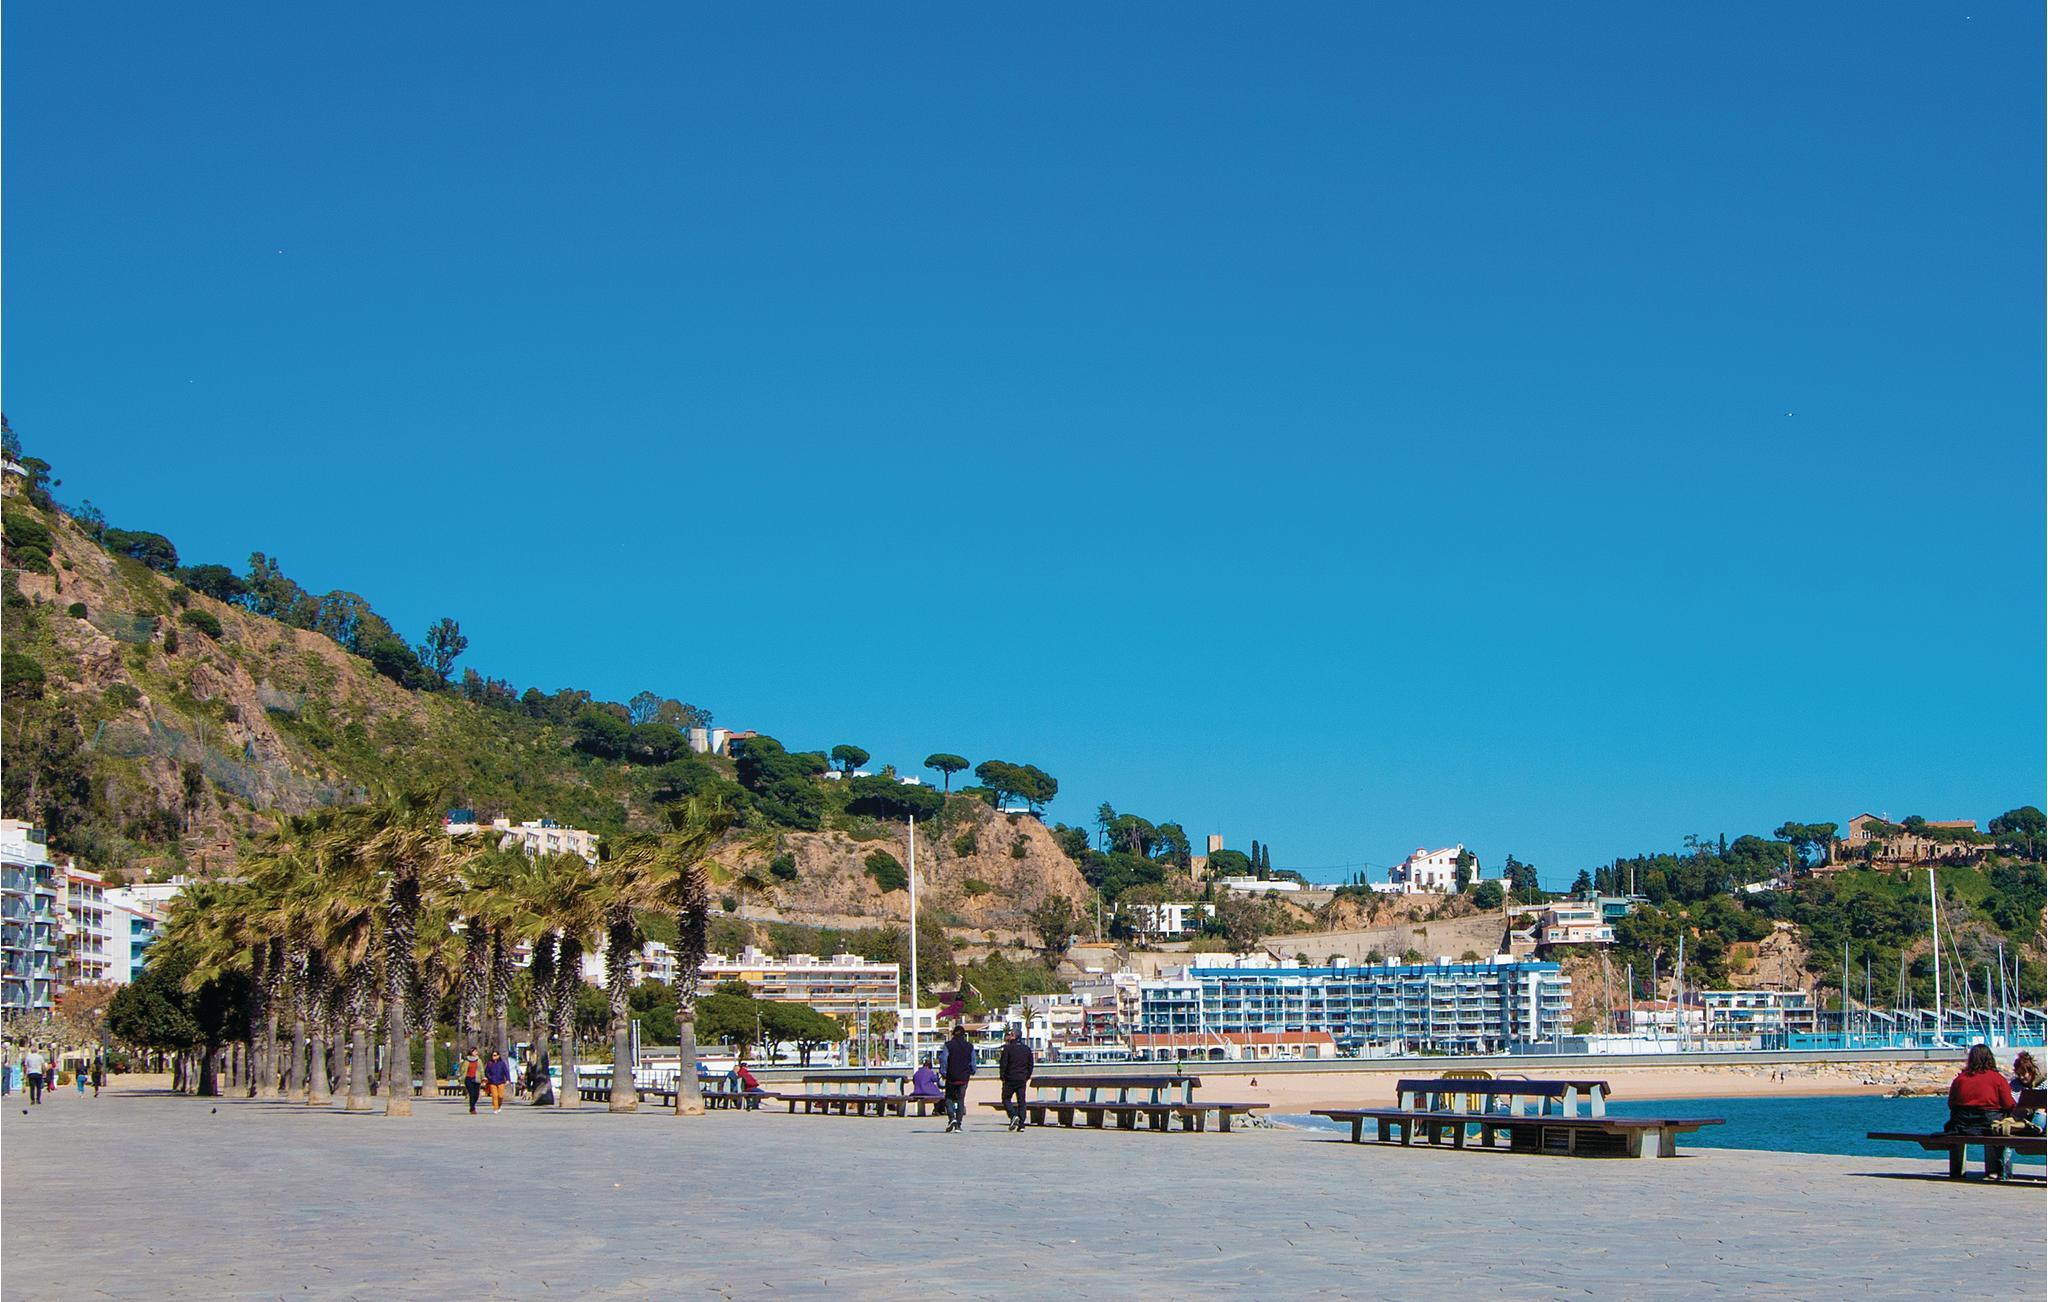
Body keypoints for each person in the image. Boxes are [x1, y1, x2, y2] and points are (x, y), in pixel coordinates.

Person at [1945, 1043, 2019, 1178]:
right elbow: (2009, 1104)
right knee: (1999, 1128)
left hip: (1962, 1125)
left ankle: (1957, 1171)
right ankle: (1996, 1170)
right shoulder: (1997, 1079)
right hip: (1989, 1124)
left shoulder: (1960, 1079)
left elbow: (1951, 1104)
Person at [997, 1026, 1035, 1133]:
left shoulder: (1008, 1049)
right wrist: (1027, 1076)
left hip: (1010, 1078)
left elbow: (1004, 1064)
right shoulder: (1026, 1049)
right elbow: (1030, 1065)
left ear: (1014, 1036)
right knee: (1021, 1101)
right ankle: (1021, 1124)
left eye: (1010, 1034)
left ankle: (1013, 1115)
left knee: (1006, 1099)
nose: (1009, 1036)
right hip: (1022, 1079)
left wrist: (1002, 1076)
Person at [941, 1023, 975, 1133]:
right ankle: (958, 1125)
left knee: (949, 1098)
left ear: (953, 1034)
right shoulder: (969, 1046)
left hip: (951, 1076)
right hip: (964, 1077)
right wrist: (972, 1071)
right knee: (961, 1099)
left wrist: (943, 1072)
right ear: (964, 1035)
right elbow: (973, 1061)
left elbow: (944, 1059)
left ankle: (952, 1118)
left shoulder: (948, 1045)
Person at [460, 1048, 484, 1114]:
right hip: (468, 1078)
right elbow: (462, 1069)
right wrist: (461, 1077)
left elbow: (481, 1069)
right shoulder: (466, 1060)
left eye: (476, 1051)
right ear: (471, 1052)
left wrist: (483, 1077)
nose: (476, 1052)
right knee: (472, 1094)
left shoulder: (479, 1060)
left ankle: (472, 1106)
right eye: (474, 1051)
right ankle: (472, 1108)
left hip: (477, 1078)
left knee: (476, 1094)